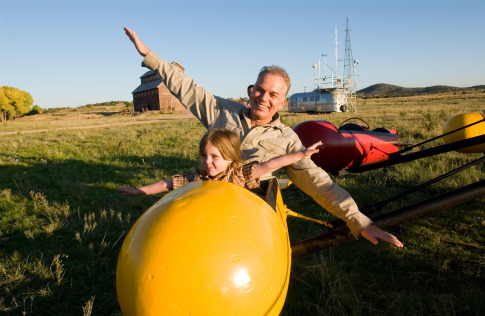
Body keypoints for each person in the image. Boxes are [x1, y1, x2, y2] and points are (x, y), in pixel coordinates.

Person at [123, 27, 403, 248]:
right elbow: (186, 87)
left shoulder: (289, 142)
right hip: (210, 197)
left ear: (282, 103)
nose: (263, 98)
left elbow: (320, 184)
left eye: (273, 94)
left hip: (251, 209)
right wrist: (150, 56)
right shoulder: (223, 111)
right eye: (259, 89)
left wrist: (359, 221)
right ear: (251, 90)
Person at [119, 128, 322, 196]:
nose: (208, 162)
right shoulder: (199, 178)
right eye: (204, 155)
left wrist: (301, 154)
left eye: (215, 157)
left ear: (230, 158)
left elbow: (271, 164)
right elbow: (169, 183)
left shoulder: (240, 174)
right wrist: (141, 190)